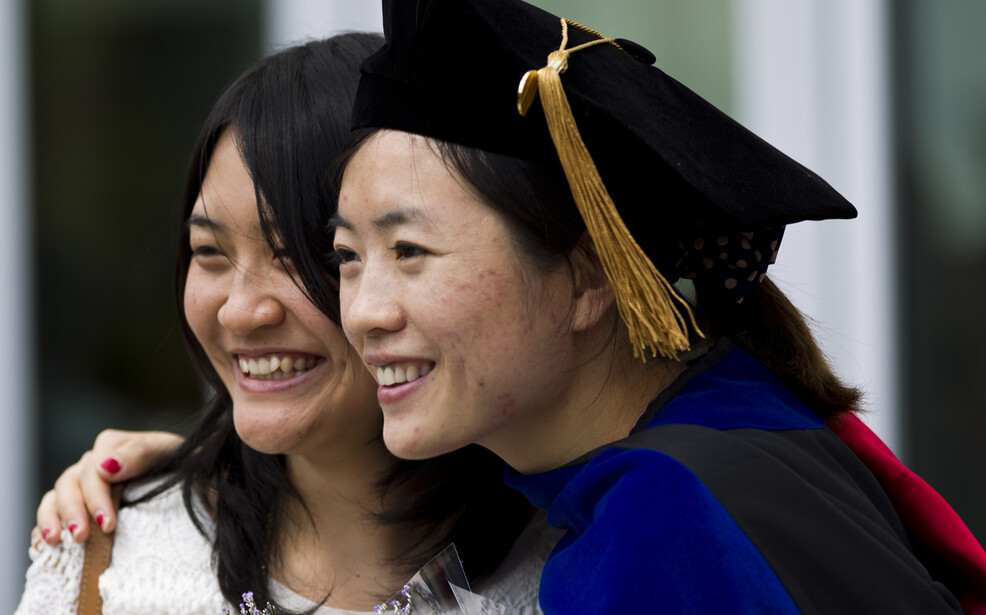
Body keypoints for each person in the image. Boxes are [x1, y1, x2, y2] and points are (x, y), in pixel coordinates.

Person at [327, 0, 986, 613]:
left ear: (587, 276)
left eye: (410, 249)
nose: (364, 313)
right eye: (347, 257)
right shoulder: (746, 422)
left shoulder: (663, 529)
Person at [15, 33, 555, 615]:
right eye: (209, 252)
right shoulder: (117, 557)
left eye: (308, 252)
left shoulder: (581, 564)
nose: (242, 312)